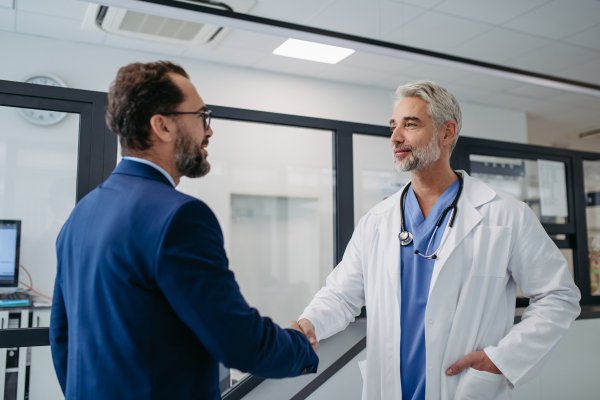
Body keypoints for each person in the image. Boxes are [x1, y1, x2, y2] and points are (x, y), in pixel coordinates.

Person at [295, 80, 581, 400]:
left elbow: (559, 295)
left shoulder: (505, 216)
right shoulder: (376, 221)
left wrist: (502, 360)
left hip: (464, 388)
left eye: (410, 125)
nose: (395, 137)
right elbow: (341, 295)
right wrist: (310, 323)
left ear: (447, 133)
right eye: (393, 127)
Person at [50, 61, 318, 400]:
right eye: (201, 116)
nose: (209, 130)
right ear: (162, 126)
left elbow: (62, 340)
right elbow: (237, 342)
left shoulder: (81, 215)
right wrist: (299, 346)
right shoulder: (180, 217)